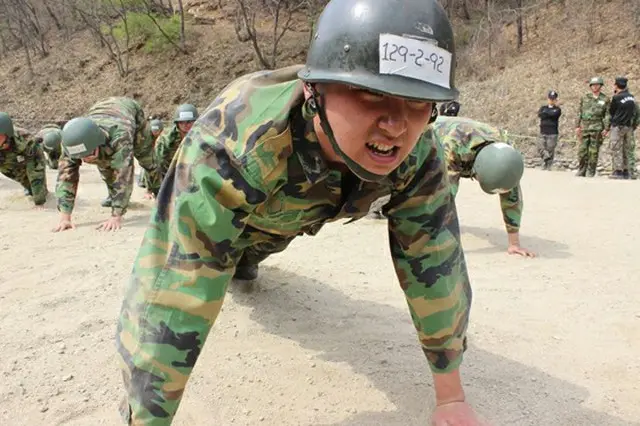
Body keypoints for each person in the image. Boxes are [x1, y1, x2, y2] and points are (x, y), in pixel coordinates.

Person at [115, 1, 484, 425]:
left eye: (419, 102)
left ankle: (248, 261)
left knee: (256, 256)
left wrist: (451, 398)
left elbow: (435, 264)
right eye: (373, 94)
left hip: (293, 219)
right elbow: (174, 288)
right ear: (314, 90)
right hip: (245, 214)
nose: (397, 124)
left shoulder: (419, 153)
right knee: (229, 260)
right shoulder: (231, 142)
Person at [370, 116, 533, 257]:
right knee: (407, 173)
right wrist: (438, 243)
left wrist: (514, 243)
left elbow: (511, 196)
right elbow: (445, 197)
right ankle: (377, 204)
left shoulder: (507, 157)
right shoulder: (452, 147)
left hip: (464, 138)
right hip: (429, 129)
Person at [53, 97, 161, 232]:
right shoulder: (71, 142)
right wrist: (65, 217)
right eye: (80, 157)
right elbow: (66, 177)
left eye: (88, 155)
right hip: (100, 110)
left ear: (98, 142)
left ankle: (162, 194)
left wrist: (116, 216)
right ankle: (114, 198)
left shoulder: (120, 137)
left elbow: (123, 175)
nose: (85, 160)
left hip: (129, 112)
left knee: (148, 160)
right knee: (105, 166)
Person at [141, 104, 199, 199]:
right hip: (168, 172)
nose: (185, 125)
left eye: (189, 122)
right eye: (182, 122)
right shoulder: (166, 139)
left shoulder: (201, 135)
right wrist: (150, 189)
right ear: (177, 123)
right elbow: (155, 163)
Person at [0, 112, 48, 208]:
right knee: (24, 181)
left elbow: (35, 172)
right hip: (6, 159)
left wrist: (39, 203)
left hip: (28, 156)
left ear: (6, 134)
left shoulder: (27, 141)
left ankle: (39, 192)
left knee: (36, 188)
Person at [605, 77, 639, 179]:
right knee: (626, 149)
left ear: (616, 85)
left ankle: (618, 171)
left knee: (616, 148)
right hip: (628, 126)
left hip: (618, 126)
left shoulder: (616, 98)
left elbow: (611, 111)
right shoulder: (631, 97)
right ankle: (626, 171)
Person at [575, 77, 610, 177]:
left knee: (593, 152)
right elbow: (579, 112)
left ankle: (591, 171)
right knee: (582, 151)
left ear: (600, 86)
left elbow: (607, 114)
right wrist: (577, 126)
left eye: (597, 85)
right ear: (590, 86)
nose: (595, 87)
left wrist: (606, 128)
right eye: (593, 85)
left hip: (597, 128)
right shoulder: (585, 97)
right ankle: (581, 170)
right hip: (585, 127)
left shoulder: (605, 99)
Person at [537, 90, 562, 170]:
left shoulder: (557, 109)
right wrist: (548, 113)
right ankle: (546, 158)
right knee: (540, 147)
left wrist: (547, 113)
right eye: (550, 98)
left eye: (553, 99)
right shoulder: (543, 108)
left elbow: (554, 114)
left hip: (552, 132)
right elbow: (540, 114)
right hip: (543, 131)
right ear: (548, 99)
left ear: (556, 100)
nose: (551, 100)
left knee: (550, 149)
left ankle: (548, 166)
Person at [137, 118, 164, 189]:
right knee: (147, 165)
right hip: (146, 155)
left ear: (161, 130)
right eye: (153, 131)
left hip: (155, 154)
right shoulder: (146, 137)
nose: (155, 132)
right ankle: (143, 182)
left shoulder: (163, 138)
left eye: (157, 131)